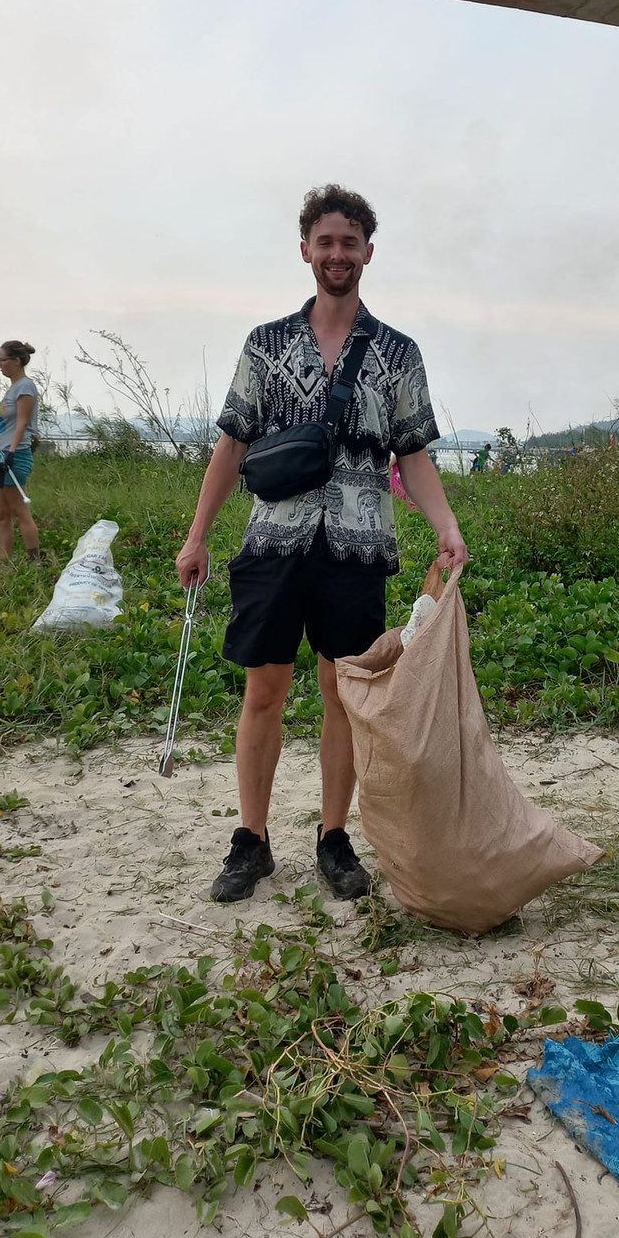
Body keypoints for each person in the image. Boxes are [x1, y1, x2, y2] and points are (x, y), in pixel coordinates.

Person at [175, 184, 468, 904]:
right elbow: (231, 442)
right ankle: (251, 840)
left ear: (369, 252)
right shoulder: (266, 344)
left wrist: (446, 525)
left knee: (345, 696)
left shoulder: (397, 353)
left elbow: (413, 453)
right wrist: (197, 537)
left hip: (358, 548)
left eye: (350, 242)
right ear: (305, 249)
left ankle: (334, 839)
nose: (338, 254)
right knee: (264, 692)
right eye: (326, 241)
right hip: (273, 542)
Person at [0, 341, 41, 561]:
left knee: (20, 512)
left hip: (14, 455)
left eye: (2, 360)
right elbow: (0, 419)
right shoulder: (12, 389)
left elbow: (22, 422)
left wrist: (11, 453)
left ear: (16, 361)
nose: (0, 365)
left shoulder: (25, 387)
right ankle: (4, 561)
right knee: (1, 514)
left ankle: (34, 560)